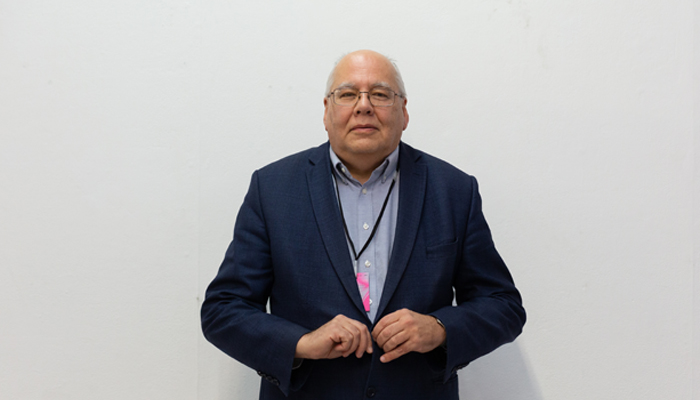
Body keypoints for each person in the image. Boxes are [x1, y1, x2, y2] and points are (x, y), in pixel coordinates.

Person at [201, 50, 525, 400]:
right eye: (348, 94)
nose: (364, 106)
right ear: (326, 111)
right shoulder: (273, 189)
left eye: (381, 94)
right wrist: (302, 343)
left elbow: (503, 306)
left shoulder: (454, 190)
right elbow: (223, 310)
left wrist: (440, 329)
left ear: (404, 112)